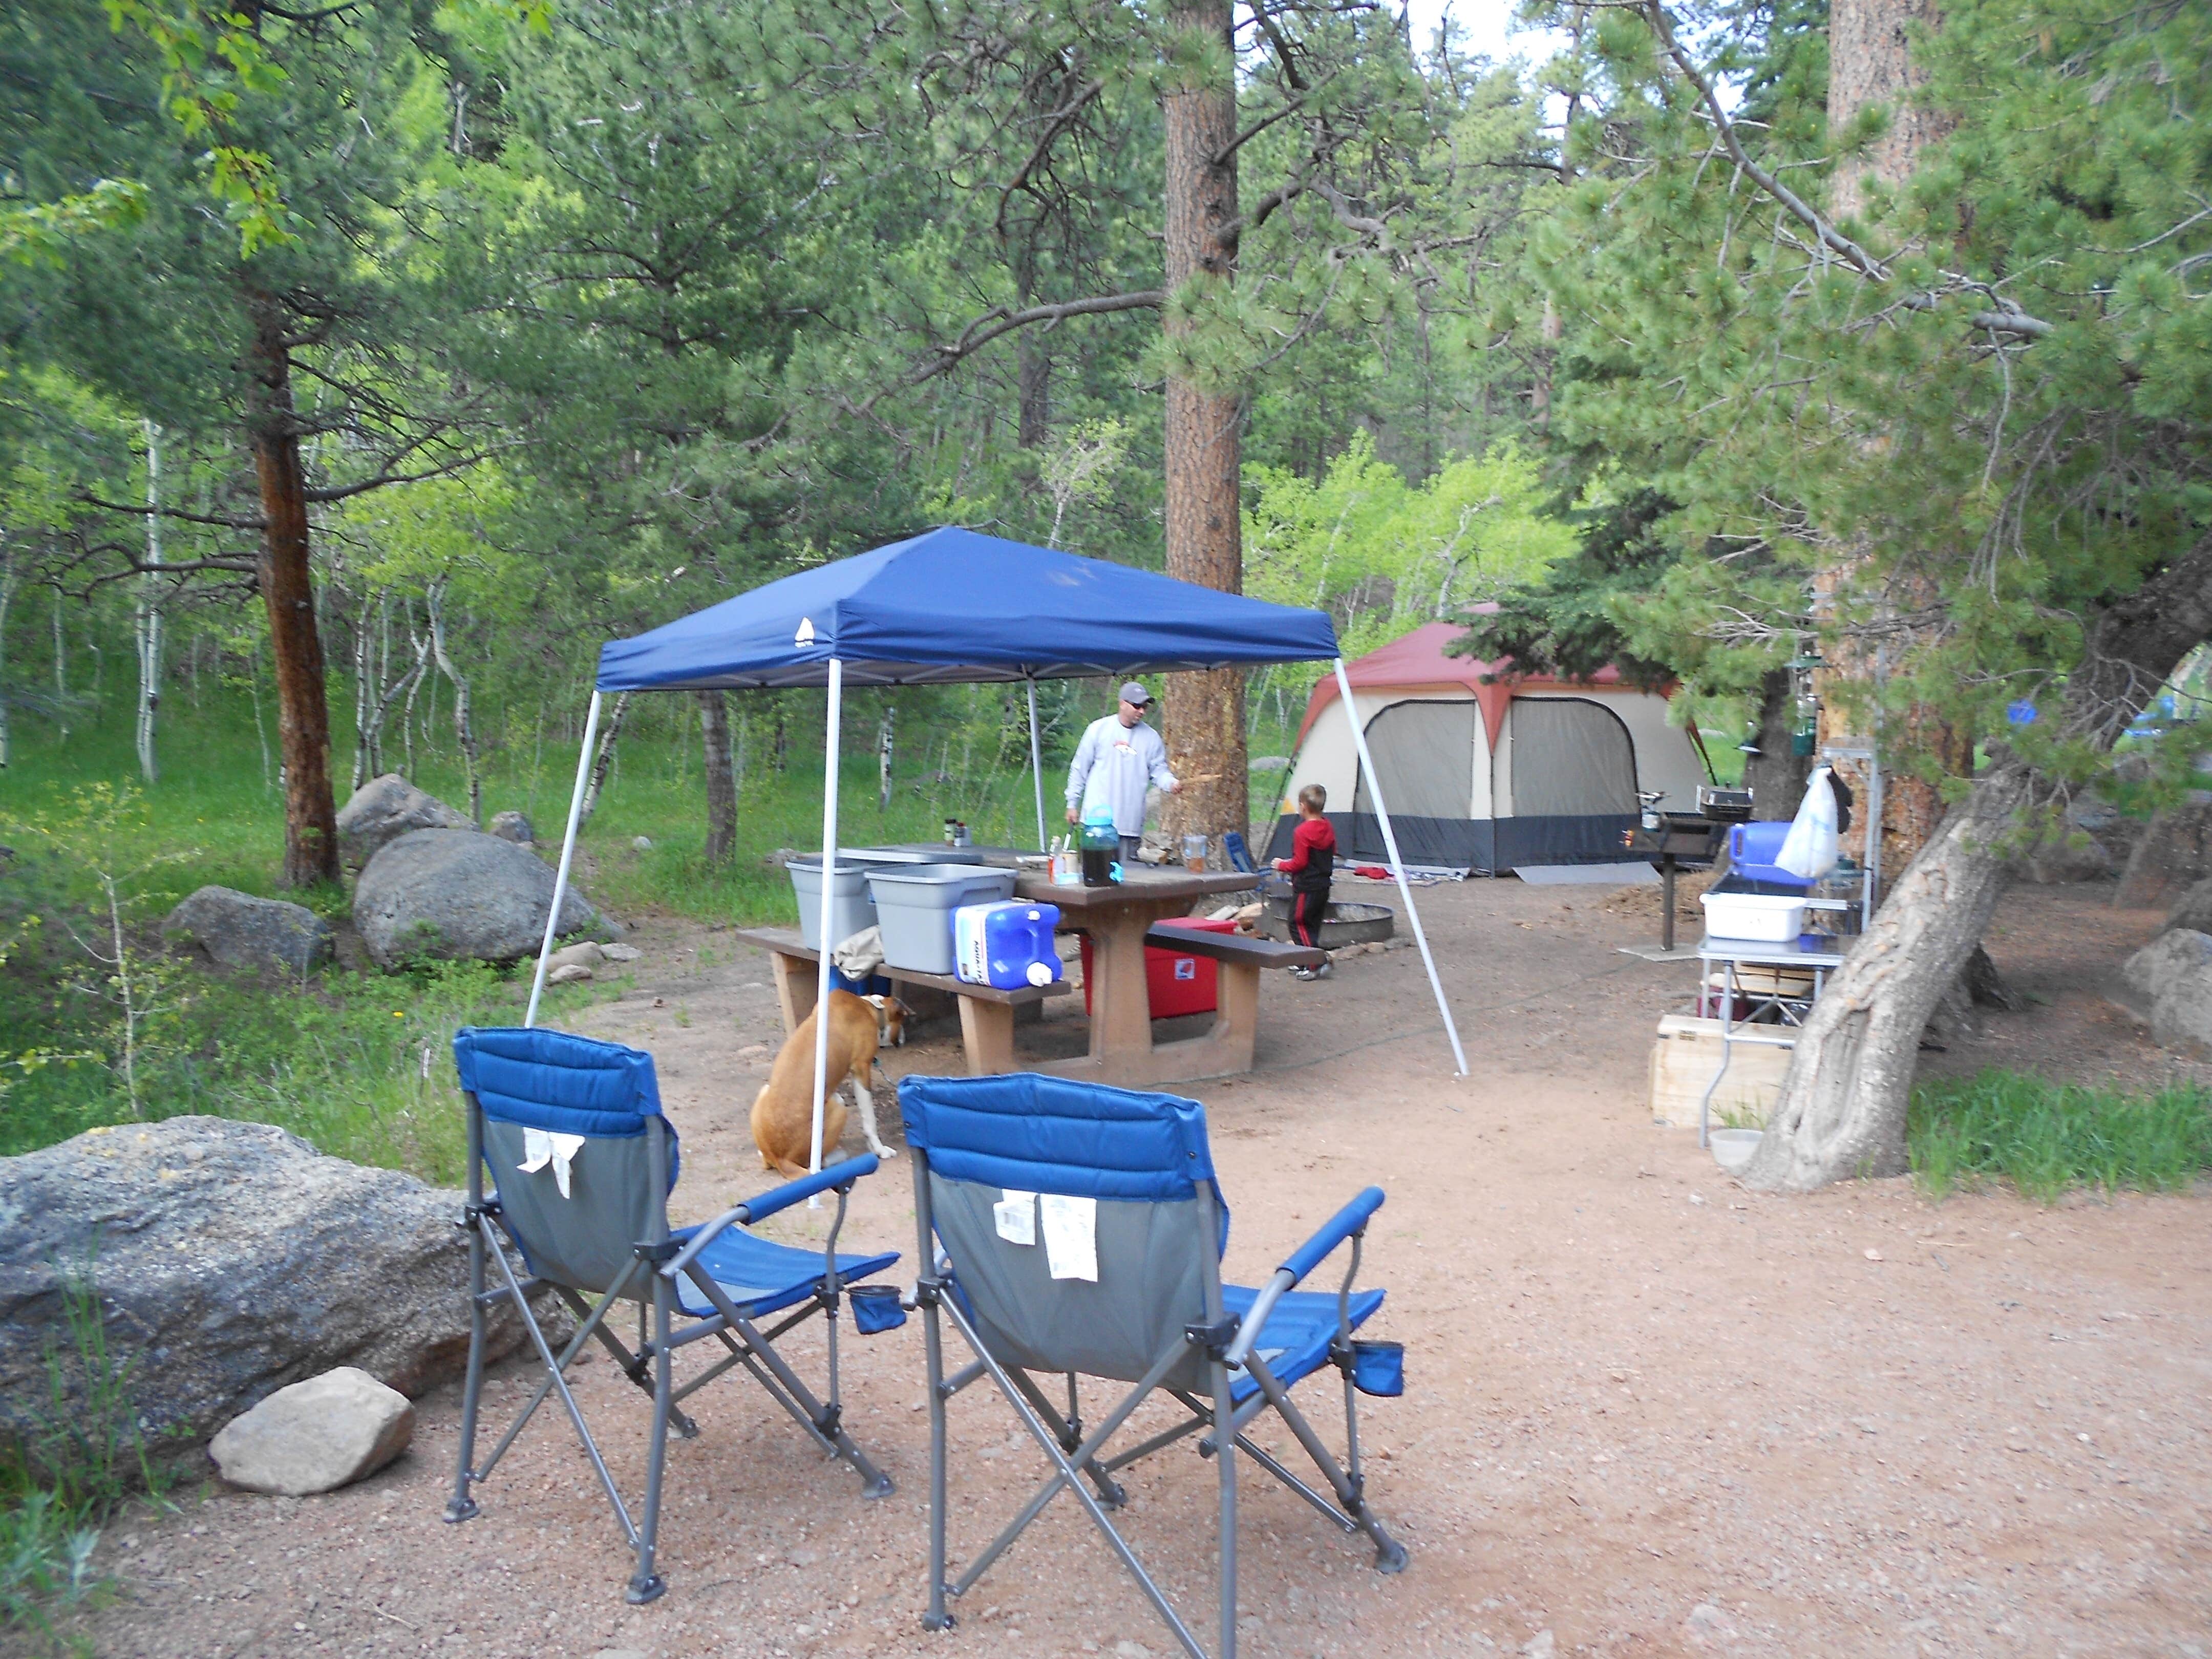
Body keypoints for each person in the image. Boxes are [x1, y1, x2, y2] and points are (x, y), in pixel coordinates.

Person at [1066, 682, 1180, 867]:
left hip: (1130, 826)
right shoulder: (1098, 729)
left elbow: (1159, 771)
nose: (1142, 711)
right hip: (1098, 825)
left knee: (1127, 878)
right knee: (1096, 873)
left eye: (1145, 707)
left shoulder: (1151, 738)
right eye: (1137, 706)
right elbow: (1079, 768)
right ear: (1122, 704)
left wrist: (1171, 784)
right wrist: (1072, 803)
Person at [1272, 782, 1335, 981]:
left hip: (1306, 886)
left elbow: (1300, 862)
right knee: (1313, 924)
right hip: (1323, 884)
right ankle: (1304, 959)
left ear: (1303, 807)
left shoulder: (1302, 832)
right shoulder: (1327, 826)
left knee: (1297, 922)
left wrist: (1281, 865)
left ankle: (1316, 963)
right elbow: (1332, 851)